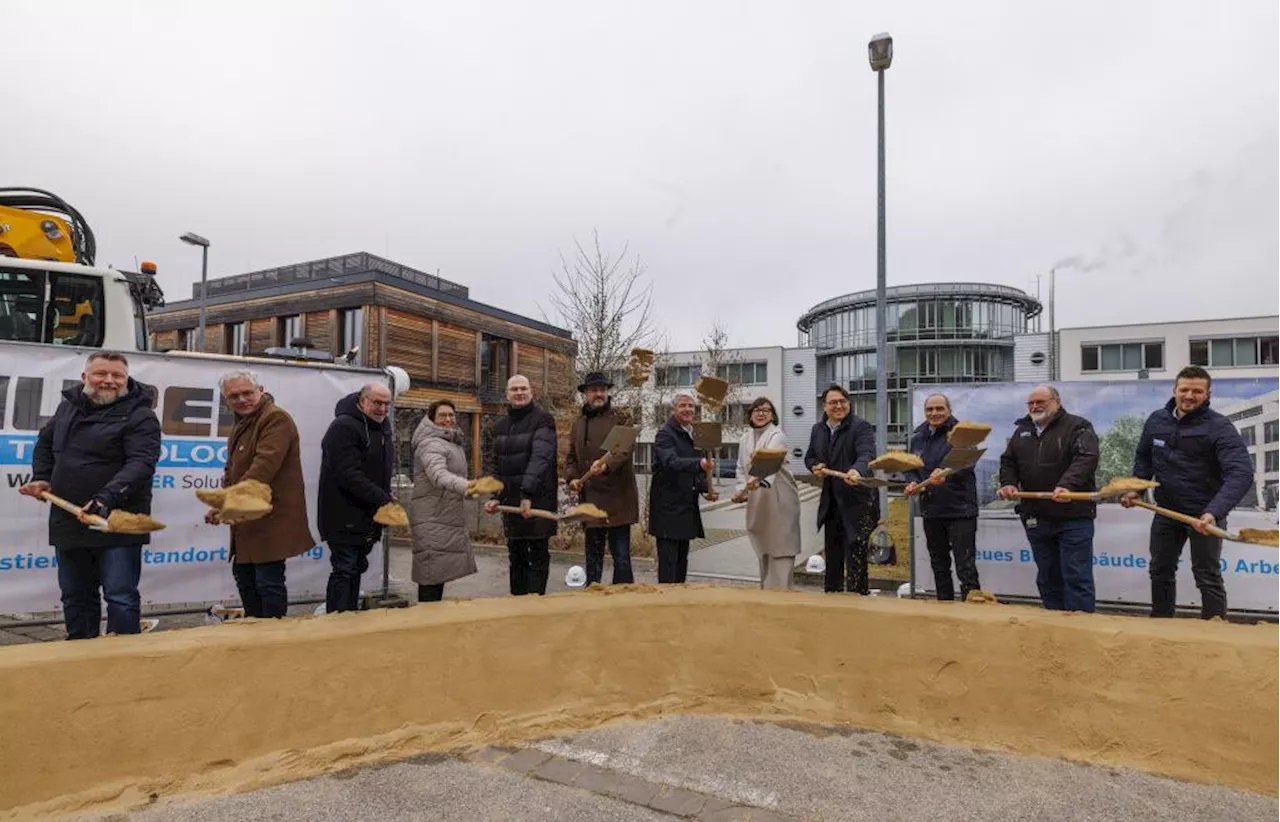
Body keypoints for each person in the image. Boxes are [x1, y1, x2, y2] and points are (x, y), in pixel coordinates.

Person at [20, 352, 160, 639]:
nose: (109, 380)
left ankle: (123, 660)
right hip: (69, 517)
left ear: (126, 379)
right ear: (85, 377)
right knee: (75, 596)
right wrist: (42, 477)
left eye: (117, 375)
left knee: (120, 595)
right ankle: (80, 655)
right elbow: (44, 445)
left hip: (116, 520)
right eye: (101, 374)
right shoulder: (67, 408)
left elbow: (141, 463)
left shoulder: (141, 415)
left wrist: (106, 499)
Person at [1122, 366, 1253, 619]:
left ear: (1208, 394)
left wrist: (1213, 512)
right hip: (1166, 511)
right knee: (1160, 569)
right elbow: (1144, 459)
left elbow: (1241, 473)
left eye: (1197, 391)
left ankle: (1214, 629)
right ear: (1175, 390)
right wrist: (1135, 489)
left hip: (1203, 515)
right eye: (1184, 389)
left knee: (1207, 574)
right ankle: (1161, 624)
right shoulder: (1156, 421)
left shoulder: (1219, 427)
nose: (1189, 395)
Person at [206, 370, 316, 618]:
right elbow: (232, 468)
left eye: (247, 393)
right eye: (234, 396)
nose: (242, 400)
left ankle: (273, 639)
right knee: (245, 579)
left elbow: (263, 466)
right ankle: (255, 634)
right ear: (226, 398)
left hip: (271, 516)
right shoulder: (243, 421)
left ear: (261, 390)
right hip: (247, 518)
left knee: (268, 583)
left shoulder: (276, 419)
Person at [998, 385, 1100, 613]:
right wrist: (1008, 483)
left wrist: (1066, 485)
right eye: (1031, 403)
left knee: (1076, 575)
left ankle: (1081, 628)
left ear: (1056, 401)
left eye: (1040, 402)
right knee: (1047, 576)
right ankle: (1054, 624)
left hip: (1073, 517)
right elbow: (1008, 462)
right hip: (1036, 517)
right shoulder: (1022, 431)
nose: (1035, 407)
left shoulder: (1079, 426)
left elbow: (1086, 458)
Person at [318, 382, 395, 613]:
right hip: (342, 514)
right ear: (362, 401)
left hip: (368, 514)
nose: (382, 409)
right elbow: (347, 473)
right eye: (377, 403)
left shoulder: (382, 427)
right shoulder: (343, 427)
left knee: (356, 567)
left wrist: (383, 498)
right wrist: (382, 498)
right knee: (345, 568)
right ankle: (338, 620)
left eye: (386, 404)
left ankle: (348, 617)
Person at [483, 375, 558, 596]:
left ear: (531, 392)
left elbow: (540, 458)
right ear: (507, 394)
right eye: (514, 389)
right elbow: (496, 464)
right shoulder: (501, 426)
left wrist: (527, 493)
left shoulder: (543, 420)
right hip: (512, 504)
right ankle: (517, 605)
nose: (519, 392)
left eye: (523, 388)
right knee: (516, 558)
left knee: (536, 556)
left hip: (536, 501)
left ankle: (534, 607)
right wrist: (496, 495)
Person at [565, 372, 639, 585]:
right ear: (585, 394)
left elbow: (624, 448)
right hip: (591, 502)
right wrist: (572, 478)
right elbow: (571, 457)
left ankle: (623, 600)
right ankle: (593, 599)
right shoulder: (579, 423)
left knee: (622, 558)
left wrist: (606, 464)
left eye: (602, 390)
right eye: (594, 390)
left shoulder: (622, 417)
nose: (599, 394)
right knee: (593, 558)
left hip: (618, 501)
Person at [905, 393, 980, 602]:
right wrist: (912, 482)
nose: (934, 413)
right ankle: (944, 606)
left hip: (960, 510)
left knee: (965, 566)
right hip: (932, 509)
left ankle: (974, 609)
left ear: (948, 410)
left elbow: (967, 462)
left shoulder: (962, 433)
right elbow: (911, 466)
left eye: (939, 409)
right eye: (930, 409)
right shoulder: (918, 436)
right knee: (939, 564)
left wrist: (945, 473)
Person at [804, 384, 877, 594]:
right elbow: (809, 456)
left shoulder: (860, 427)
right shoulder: (818, 430)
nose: (838, 406)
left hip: (858, 503)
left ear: (849, 404)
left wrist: (856, 470)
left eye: (842, 401)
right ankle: (832, 600)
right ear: (824, 406)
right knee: (833, 557)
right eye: (833, 402)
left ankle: (857, 601)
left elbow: (867, 454)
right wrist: (814, 466)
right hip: (831, 503)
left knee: (856, 559)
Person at [409, 400, 478, 602]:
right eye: (442, 415)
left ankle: (432, 619)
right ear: (432, 419)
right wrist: (466, 486)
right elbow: (438, 475)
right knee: (430, 573)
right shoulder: (430, 443)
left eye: (451, 415)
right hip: (431, 516)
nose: (448, 419)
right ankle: (427, 621)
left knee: (437, 572)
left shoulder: (449, 442)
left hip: (443, 514)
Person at [731, 397, 801, 590]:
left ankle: (780, 596)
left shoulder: (777, 436)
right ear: (750, 414)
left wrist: (753, 483)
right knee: (764, 547)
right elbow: (740, 469)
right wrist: (739, 490)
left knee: (781, 547)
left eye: (766, 410)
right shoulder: (745, 439)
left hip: (780, 498)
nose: (761, 413)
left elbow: (767, 465)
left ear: (773, 415)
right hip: (758, 500)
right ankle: (767, 595)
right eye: (756, 410)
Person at [649, 391, 717, 584]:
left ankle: (679, 600)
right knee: (668, 562)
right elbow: (671, 462)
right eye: (683, 406)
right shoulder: (665, 434)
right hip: (667, 509)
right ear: (674, 409)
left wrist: (706, 488)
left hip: (686, 507)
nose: (687, 410)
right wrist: (699, 464)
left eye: (691, 406)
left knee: (681, 560)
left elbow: (696, 473)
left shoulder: (694, 433)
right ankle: (666, 603)